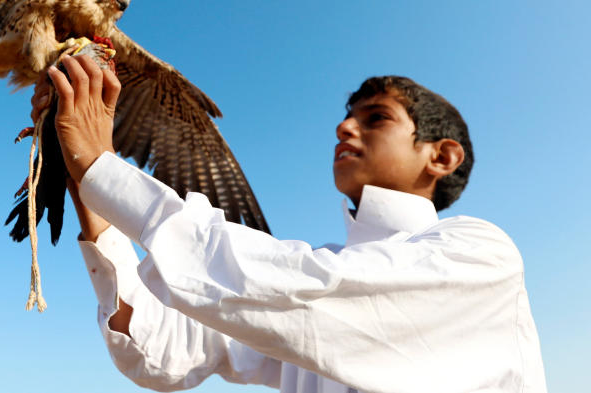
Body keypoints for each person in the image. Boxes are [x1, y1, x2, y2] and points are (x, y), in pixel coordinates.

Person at [38, 55, 546, 393]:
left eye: (377, 119)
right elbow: (163, 351)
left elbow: (301, 288)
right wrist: (81, 177)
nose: (345, 127)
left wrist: (101, 167)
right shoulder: (305, 292)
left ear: (442, 156)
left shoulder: (480, 255)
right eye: (348, 118)